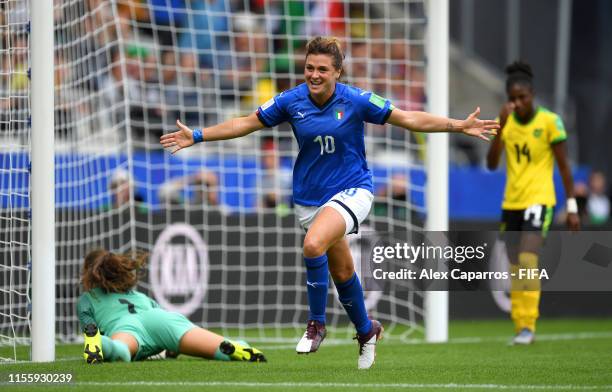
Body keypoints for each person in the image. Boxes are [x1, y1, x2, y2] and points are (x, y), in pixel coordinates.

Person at [160, 36, 499, 369]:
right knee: (342, 270)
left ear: (338, 71)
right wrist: (198, 135)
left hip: (354, 189)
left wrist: (458, 126)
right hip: (309, 198)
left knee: (313, 245)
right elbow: (246, 123)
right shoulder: (290, 101)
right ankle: (367, 330)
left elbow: (409, 118)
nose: (314, 75)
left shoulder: (356, 100)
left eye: (323, 68)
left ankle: (317, 324)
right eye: (309, 68)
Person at [486, 61, 580, 345]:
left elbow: (564, 167)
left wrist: (573, 206)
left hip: (540, 199)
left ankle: (528, 325)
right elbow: (491, 164)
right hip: (512, 201)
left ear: (532, 95)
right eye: (512, 99)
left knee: (528, 258)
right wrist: (500, 127)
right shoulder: (507, 121)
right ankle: (520, 325)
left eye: (522, 97)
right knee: (515, 265)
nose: (518, 103)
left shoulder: (550, 122)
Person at [77, 249, 266, 363]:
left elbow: (88, 325)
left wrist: (93, 334)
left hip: (125, 326)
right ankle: (238, 346)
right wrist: (170, 346)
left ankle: (103, 345)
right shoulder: (138, 296)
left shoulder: (88, 298)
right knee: (211, 345)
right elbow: (158, 314)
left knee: (121, 350)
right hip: (158, 317)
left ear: (90, 274)